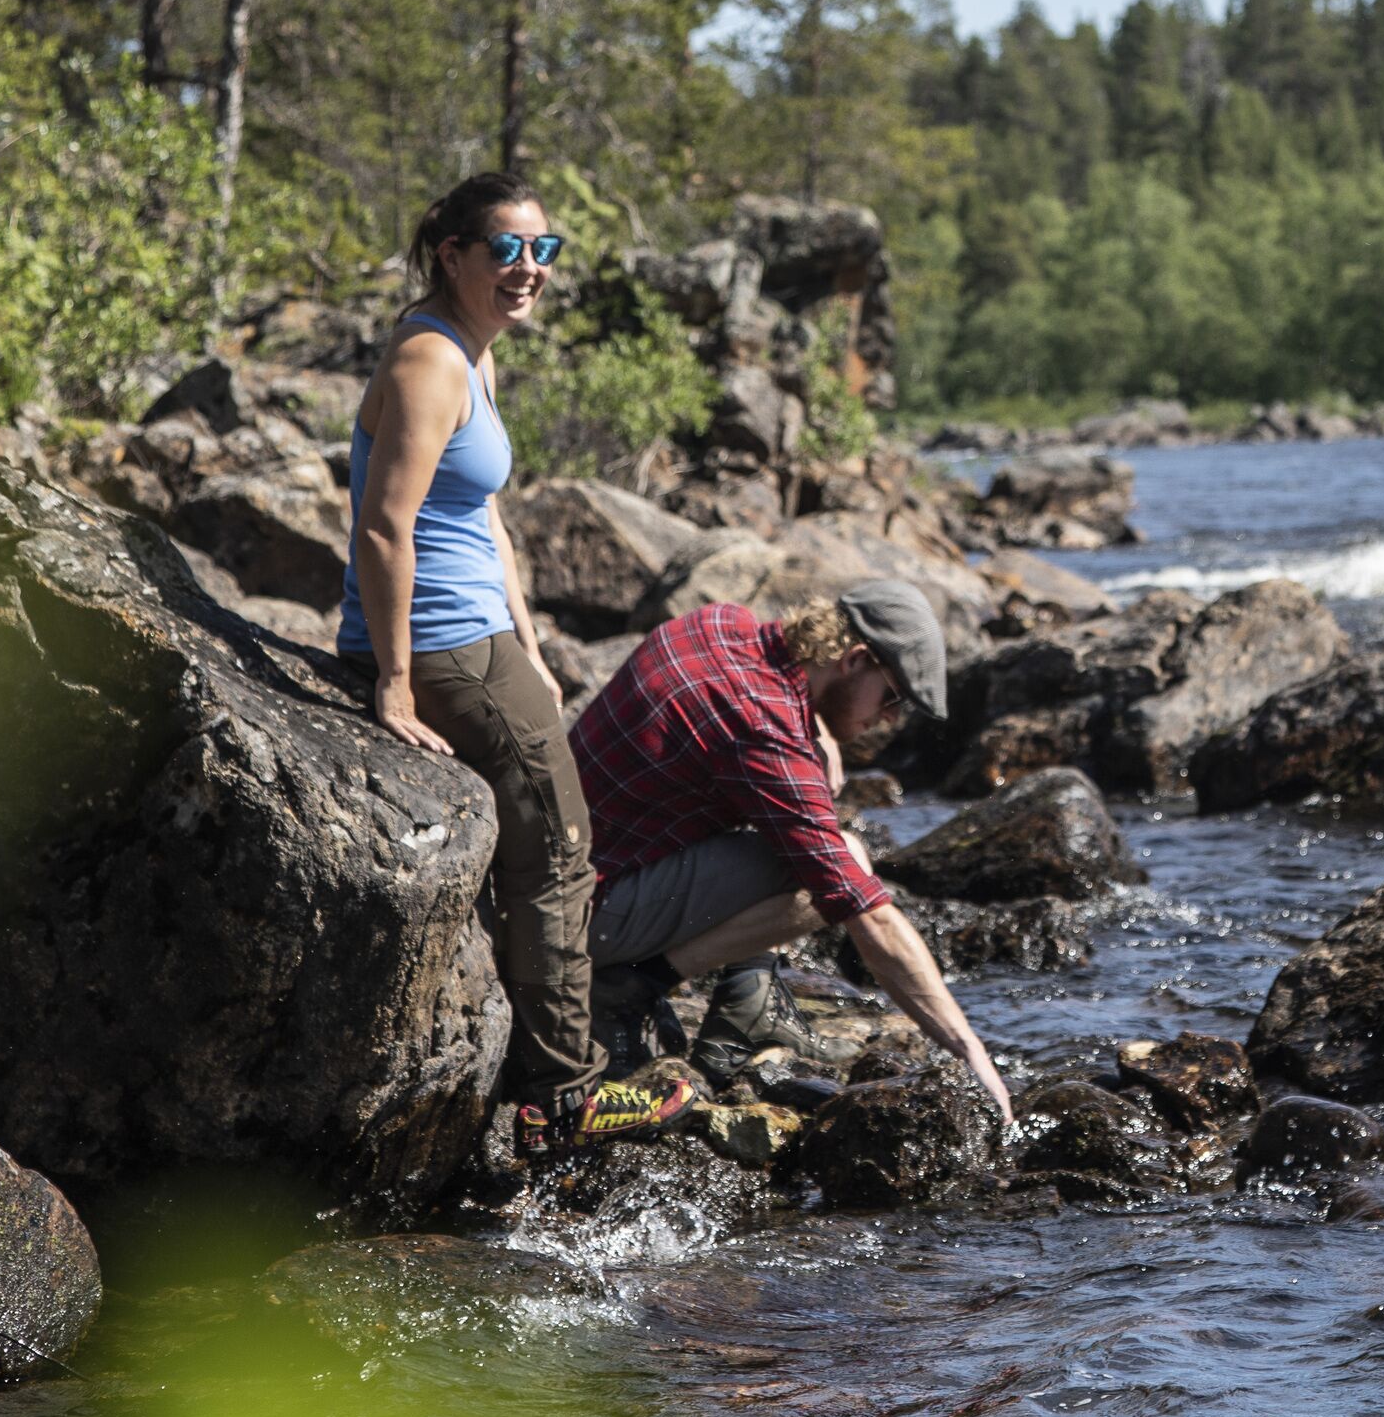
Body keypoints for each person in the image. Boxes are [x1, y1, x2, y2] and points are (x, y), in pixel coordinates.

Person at [338, 171, 692, 1155]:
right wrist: (395, 680)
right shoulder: (428, 361)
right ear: (450, 252)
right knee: (562, 845)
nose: (528, 268)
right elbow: (383, 528)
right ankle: (566, 1095)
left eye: (544, 249)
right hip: (439, 642)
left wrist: (530, 640)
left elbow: (481, 513)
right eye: (506, 249)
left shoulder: (473, 353)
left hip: (481, 634)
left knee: (545, 840)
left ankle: (532, 1063)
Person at [571, 579, 1012, 1122]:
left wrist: (817, 737)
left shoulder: (722, 623)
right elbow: (865, 912)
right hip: (582, 918)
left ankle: (746, 997)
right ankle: (628, 990)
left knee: (806, 825)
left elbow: (769, 725)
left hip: (564, 872)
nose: (890, 721)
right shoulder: (764, 728)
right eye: (893, 697)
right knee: (832, 862)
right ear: (854, 659)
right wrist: (969, 1050)